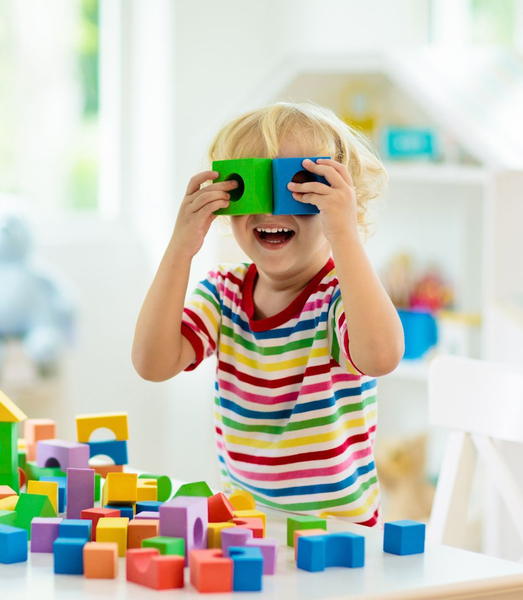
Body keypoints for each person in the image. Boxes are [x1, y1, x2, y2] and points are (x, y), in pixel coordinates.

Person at [132, 101, 404, 527]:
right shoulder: (223, 295)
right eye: (250, 187)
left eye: (302, 188)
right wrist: (180, 247)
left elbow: (381, 356)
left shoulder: (338, 299)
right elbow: (152, 363)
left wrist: (344, 235)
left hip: (338, 535)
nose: (273, 210)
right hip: (248, 529)